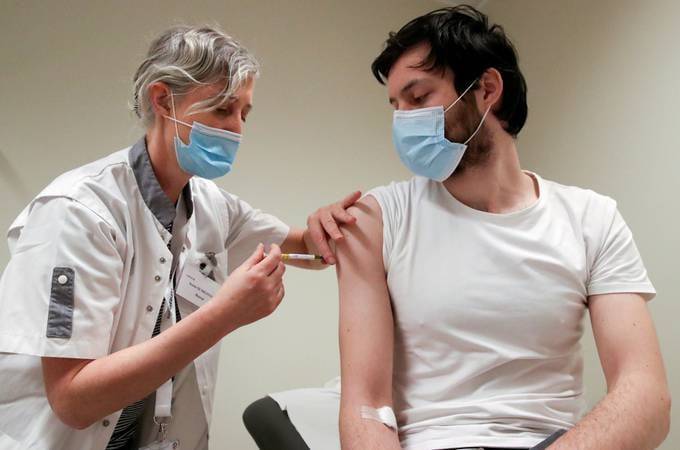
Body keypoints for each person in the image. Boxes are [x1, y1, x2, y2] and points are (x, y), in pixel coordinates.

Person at [244, 6, 671, 450]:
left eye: (418, 97)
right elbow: (365, 407)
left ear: (486, 89)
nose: (403, 119)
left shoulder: (591, 219)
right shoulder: (375, 221)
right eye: (395, 106)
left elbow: (645, 395)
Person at [0, 25, 357, 450]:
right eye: (223, 110)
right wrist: (224, 316)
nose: (237, 130)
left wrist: (329, 221)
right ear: (162, 99)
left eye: (245, 113)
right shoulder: (80, 212)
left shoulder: (209, 204)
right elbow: (73, 400)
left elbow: (308, 245)